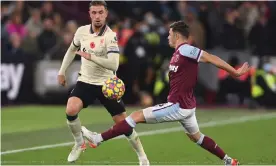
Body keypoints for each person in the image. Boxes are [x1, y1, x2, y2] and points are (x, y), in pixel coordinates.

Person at [80, 21, 250, 166]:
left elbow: (211, 57)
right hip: (187, 106)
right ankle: (229, 161)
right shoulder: (178, 54)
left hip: (178, 105)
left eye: (169, 34)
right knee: (196, 137)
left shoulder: (185, 50)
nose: (167, 37)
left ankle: (98, 139)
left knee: (135, 116)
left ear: (177, 36)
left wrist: (234, 72)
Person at [57, 1, 149, 165]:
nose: (97, 16)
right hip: (85, 80)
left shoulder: (110, 36)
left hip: (107, 85)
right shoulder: (81, 32)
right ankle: (79, 143)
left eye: (101, 12)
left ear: (106, 14)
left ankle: (142, 156)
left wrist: (91, 57)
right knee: (71, 109)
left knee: (124, 124)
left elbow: (114, 65)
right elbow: (72, 49)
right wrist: (62, 71)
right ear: (90, 14)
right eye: (94, 13)